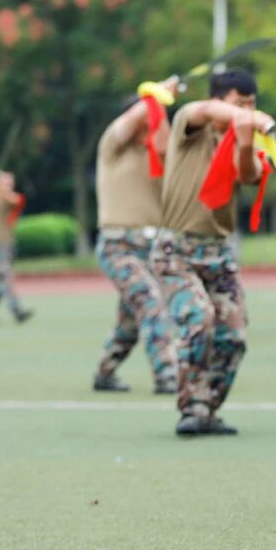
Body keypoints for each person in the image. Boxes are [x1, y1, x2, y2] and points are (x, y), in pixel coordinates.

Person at [152, 69, 271, 436]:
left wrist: (246, 141)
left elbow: (248, 175)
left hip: (219, 253)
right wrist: (251, 118)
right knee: (198, 319)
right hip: (177, 251)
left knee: (233, 336)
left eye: (251, 104)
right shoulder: (191, 122)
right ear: (219, 101)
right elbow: (203, 110)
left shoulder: (238, 139)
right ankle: (190, 408)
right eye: (239, 103)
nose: (246, 110)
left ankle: (207, 408)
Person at [91, 85, 179, 395]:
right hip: (118, 247)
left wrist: (160, 106)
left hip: (152, 249)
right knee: (151, 302)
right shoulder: (112, 148)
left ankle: (104, 372)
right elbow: (132, 119)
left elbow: (166, 142)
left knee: (130, 321)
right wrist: (157, 93)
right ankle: (167, 374)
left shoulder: (160, 153)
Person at [0, 169, 33, 324]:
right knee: (5, 276)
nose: (9, 185)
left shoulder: (9, 197)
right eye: (6, 182)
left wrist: (0, 188)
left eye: (10, 183)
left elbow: (16, 201)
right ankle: (17, 310)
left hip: (7, 243)